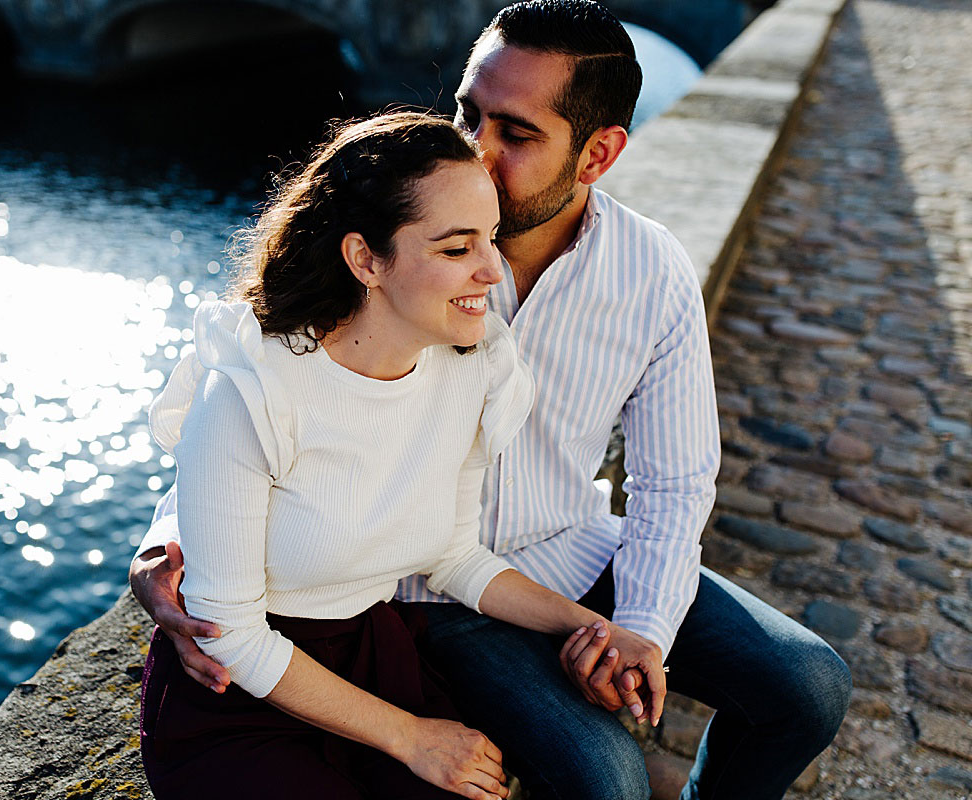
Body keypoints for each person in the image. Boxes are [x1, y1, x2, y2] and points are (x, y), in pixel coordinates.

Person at [131, 3, 852, 799]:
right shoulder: (406, 256)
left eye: (516, 133)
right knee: (608, 777)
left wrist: (636, 630)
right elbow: (263, 388)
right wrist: (171, 538)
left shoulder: (648, 271)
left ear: (598, 154)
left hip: (561, 554)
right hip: (425, 594)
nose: (474, 149)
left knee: (810, 685)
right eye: (467, 113)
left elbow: (675, 483)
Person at [138, 111, 669, 800]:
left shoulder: (472, 365)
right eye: (456, 249)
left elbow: (455, 557)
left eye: (490, 238)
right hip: (240, 701)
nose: (493, 268)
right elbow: (230, 632)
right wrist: (412, 738)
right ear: (365, 259)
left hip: (373, 660)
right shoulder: (253, 390)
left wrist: (595, 627)